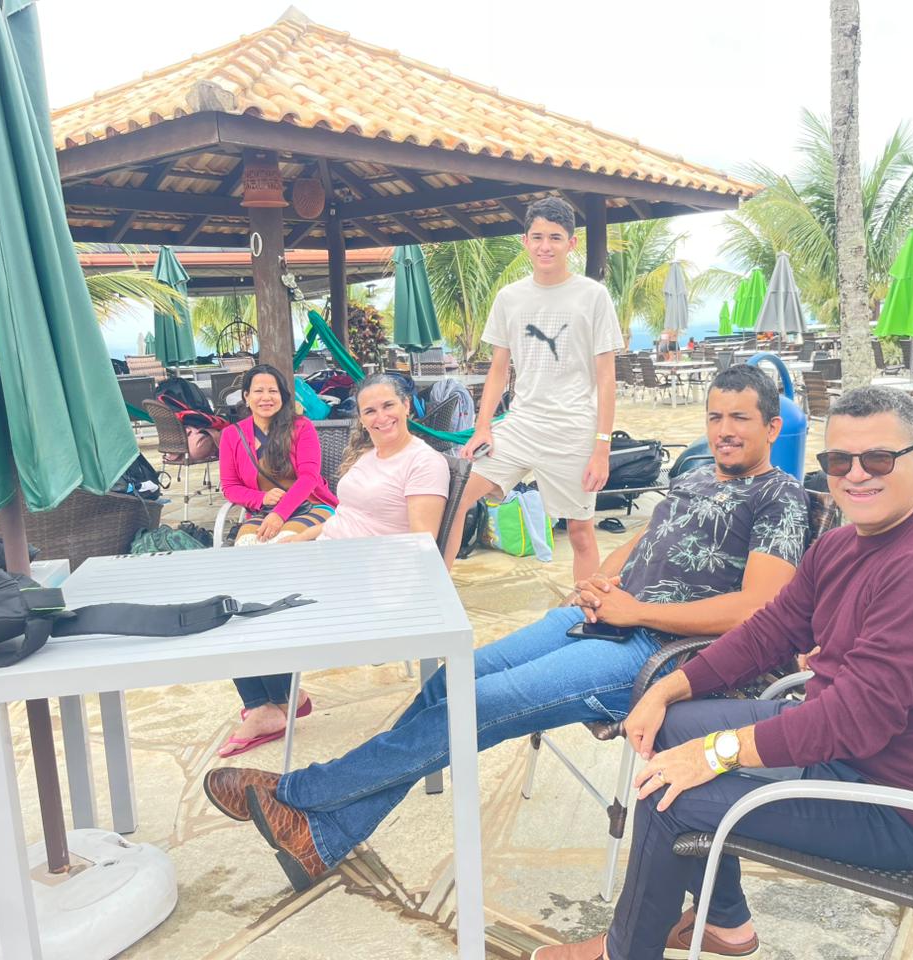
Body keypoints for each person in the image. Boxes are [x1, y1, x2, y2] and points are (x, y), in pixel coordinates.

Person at [204, 366, 811, 891]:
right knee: (448, 683)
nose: (724, 430)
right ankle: (325, 835)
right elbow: (647, 538)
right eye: (715, 417)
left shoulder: (779, 496)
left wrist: (637, 612)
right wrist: (600, 580)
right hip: (602, 616)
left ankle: (303, 795)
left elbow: (756, 608)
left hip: (660, 652)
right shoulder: (695, 476)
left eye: (739, 418)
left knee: (477, 702)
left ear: (771, 427)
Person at [535, 386, 913, 960]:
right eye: (839, 461)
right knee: (672, 728)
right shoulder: (844, 545)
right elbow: (767, 633)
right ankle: (726, 924)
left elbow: (854, 721)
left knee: (670, 791)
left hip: (895, 805)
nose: (856, 475)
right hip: (843, 755)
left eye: (878, 459)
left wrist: (717, 753)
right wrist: (666, 689)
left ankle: (624, 952)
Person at [215, 374, 449, 758]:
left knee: (250, 601)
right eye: (369, 411)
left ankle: (271, 705)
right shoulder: (371, 457)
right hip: (333, 557)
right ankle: (275, 701)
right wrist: (302, 539)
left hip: (361, 578)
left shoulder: (423, 463)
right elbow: (346, 516)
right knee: (239, 582)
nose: (380, 417)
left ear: (407, 406)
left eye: (388, 406)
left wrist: (343, 562)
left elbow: (419, 544)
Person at [446, 196, 622, 583]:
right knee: (456, 499)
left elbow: (607, 378)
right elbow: (498, 369)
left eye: (555, 238)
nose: (546, 246)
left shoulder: (593, 296)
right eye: (538, 237)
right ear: (525, 241)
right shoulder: (509, 297)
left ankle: (586, 609)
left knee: (580, 532)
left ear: (571, 244)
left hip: (573, 430)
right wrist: (482, 426)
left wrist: (602, 448)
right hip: (521, 425)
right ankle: (436, 596)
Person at [219, 364, 338, 548]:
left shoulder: (302, 427)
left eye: (273, 391)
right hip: (264, 511)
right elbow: (230, 487)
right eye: (259, 391)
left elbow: (309, 477)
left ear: (282, 396)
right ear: (246, 396)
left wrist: (280, 514)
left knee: (286, 542)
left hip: (310, 504)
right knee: (247, 545)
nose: (266, 397)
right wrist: (261, 498)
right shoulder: (231, 435)